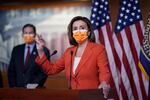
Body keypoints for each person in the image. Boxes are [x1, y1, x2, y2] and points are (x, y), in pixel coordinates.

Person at [35, 16, 111, 98]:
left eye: (82, 28)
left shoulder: (98, 49)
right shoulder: (69, 51)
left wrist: (104, 82)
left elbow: (104, 71)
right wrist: (40, 50)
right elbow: (51, 70)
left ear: (89, 32)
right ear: (72, 33)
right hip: (72, 96)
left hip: (91, 96)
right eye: (75, 28)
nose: (78, 31)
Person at [8, 24, 47, 88]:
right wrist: (13, 86)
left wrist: (33, 86)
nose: (28, 35)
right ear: (22, 35)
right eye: (25, 33)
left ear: (35, 34)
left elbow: (44, 72)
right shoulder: (16, 50)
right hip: (17, 89)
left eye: (30, 33)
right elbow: (11, 70)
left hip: (35, 90)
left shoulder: (42, 50)